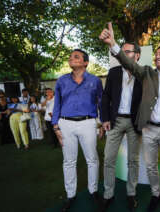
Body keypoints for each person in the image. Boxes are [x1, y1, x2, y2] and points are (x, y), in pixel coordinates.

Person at [100, 22, 160, 212]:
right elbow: (125, 66)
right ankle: (152, 194)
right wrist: (113, 44)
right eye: (156, 54)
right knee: (147, 165)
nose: (158, 56)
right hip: (140, 126)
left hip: (159, 128)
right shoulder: (146, 73)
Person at [52, 49, 103, 212]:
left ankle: (93, 191)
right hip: (65, 124)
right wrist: (55, 126)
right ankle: (70, 195)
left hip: (88, 123)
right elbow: (57, 104)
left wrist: (101, 124)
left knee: (92, 159)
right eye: (70, 57)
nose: (71, 58)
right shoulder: (61, 81)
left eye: (76, 56)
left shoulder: (95, 81)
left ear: (85, 63)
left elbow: (101, 103)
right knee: (69, 161)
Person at [101, 42, 143, 211]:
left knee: (133, 161)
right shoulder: (113, 73)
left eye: (127, 51)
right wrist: (104, 118)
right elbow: (105, 98)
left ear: (137, 55)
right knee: (108, 159)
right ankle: (108, 194)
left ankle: (131, 194)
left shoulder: (144, 73)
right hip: (115, 121)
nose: (123, 54)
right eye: (122, 51)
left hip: (135, 123)